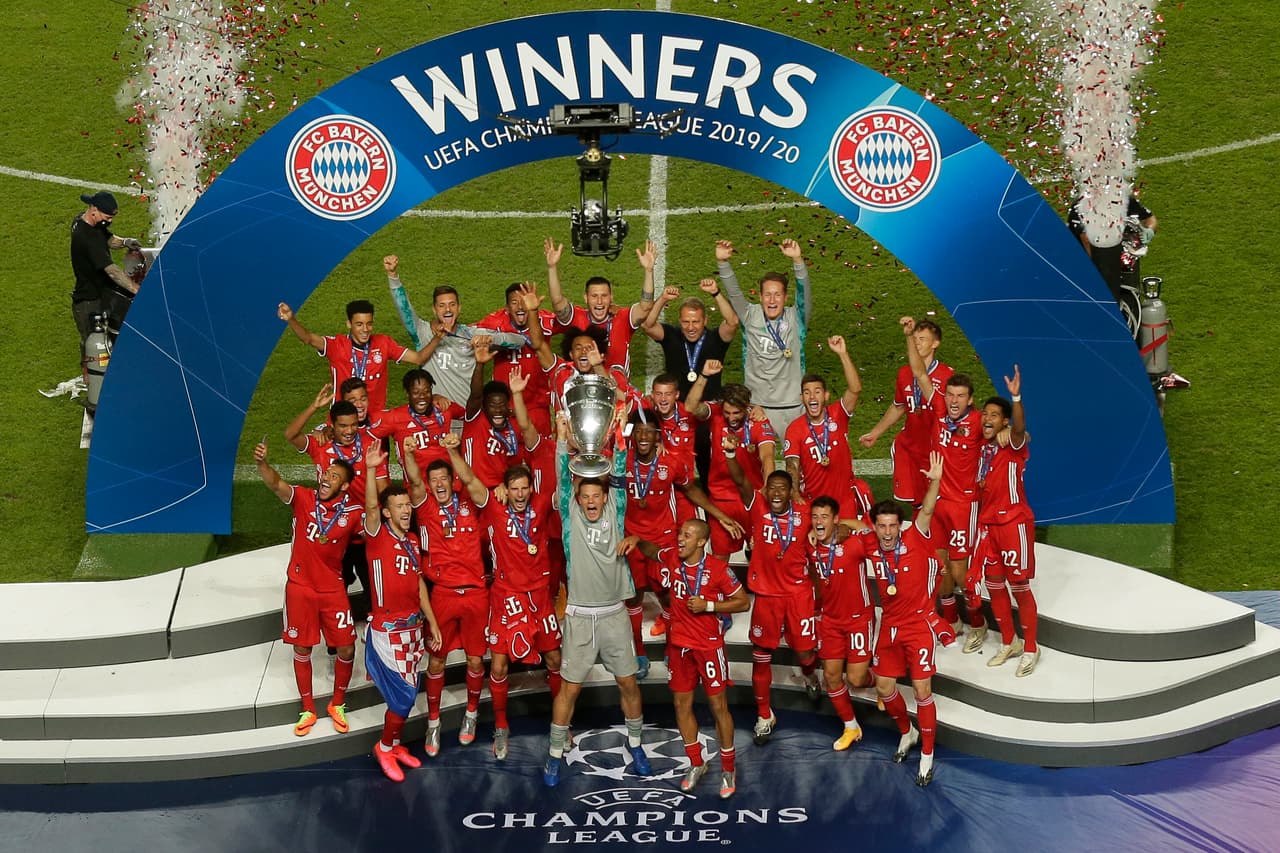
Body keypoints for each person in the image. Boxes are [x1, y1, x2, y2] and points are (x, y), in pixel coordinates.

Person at [543, 416, 650, 787]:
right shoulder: (569, 519)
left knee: (629, 685)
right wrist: (561, 439)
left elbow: (619, 473)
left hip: (614, 615)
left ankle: (636, 745)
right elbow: (560, 477)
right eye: (584, 496)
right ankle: (555, 753)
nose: (590, 501)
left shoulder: (616, 512)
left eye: (596, 496)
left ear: (605, 497)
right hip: (579, 618)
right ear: (577, 498)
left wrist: (620, 439)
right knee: (568, 689)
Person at [845, 453, 949, 786]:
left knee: (921, 689)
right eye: (882, 525)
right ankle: (908, 732)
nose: (887, 531)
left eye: (893, 525)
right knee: (885, 686)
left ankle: (928, 754)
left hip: (918, 626)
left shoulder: (916, 536)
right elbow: (843, 530)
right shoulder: (868, 543)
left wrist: (934, 480)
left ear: (900, 525)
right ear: (874, 525)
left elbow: (929, 509)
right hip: (888, 625)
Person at [629, 519, 750, 798]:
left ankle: (728, 768)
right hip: (679, 646)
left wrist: (709, 605)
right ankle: (696, 763)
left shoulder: (718, 569)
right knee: (681, 705)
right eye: (680, 533)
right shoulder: (672, 556)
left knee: (718, 706)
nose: (680, 539)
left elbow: (742, 602)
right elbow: (652, 551)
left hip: (708, 646)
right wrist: (637, 539)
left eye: (687, 535)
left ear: (701, 541)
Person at [621, 409, 744, 678]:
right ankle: (639, 651)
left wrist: (719, 515)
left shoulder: (671, 462)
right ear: (632, 435)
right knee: (634, 595)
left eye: (649, 432)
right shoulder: (621, 461)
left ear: (657, 436)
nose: (643, 436)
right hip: (631, 537)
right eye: (638, 431)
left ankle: (672, 645)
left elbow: (691, 490)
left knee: (668, 594)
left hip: (663, 538)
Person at [253, 439, 361, 738]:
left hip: (333, 590)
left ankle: (337, 704)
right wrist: (263, 464)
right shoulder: (303, 497)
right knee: (302, 647)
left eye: (335, 476)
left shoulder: (352, 513)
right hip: (300, 588)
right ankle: (308, 708)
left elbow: (376, 525)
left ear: (345, 486)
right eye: (326, 473)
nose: (327, 477)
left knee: (347, 647)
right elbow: (276, 485)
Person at [721, 430, 818, 746]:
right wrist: (733, 456)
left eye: (782, 489)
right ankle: (765, 714)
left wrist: (841, 530)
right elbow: (740, 482)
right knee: (761, 655)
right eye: (772, 488)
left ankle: (808, 673)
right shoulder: (758, 506)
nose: (776, 493)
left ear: (791, 493)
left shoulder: (805, 512)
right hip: (766, 596)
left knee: (805, 650)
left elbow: (833, 523)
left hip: (799, 593)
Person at [359, 441, 443, 782]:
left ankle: (393, 745)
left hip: (412, 631)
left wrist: (432, 623)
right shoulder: (377, 535)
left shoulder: (411, 542)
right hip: (387, 632)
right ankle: (383, 746)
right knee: (403, 697)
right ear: (387, 511)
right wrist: (368, 471)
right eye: (399, 506)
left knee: (408, 692)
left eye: (408, 504)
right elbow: (369, 507)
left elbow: (420, 585)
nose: (407, 510)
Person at [401, 433, 489, 757]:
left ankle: (471, 714)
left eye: (443, 479)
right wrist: (409, 454)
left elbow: (470, 479)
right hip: (443, 595)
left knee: (476, 659)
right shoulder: (423, 509)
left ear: (452, 481)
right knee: (436, 659)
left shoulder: (472, 504)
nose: (438, 484)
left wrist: (452, 452)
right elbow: (413, 480)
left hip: (477, 594)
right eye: (433, 479)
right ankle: (434, 723)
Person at [902, 317, 984, 639]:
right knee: (939, 566)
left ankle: (978, 622)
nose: (952, 401)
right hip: (935, 501)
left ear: (970, 400)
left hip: (963, 505)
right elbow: (920, 372)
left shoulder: (978, 423)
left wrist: (1008, 431)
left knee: (960, 572)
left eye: (959, 396)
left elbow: (1007, 434)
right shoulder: (937, 409)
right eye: (949, 395)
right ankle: (952, 619)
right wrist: (909, 336)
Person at [479, 458, 563, 761]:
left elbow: (565, 487)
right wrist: (453, 453)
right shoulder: (495, 507)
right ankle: (501, 726)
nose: (519, 493)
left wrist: (576, 449)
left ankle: (560, 722)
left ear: (531, 488)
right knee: (499, 664)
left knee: (555, 657)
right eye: (514, 488)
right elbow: (474, 486)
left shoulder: (541, 503)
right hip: (507, 595)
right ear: (506, 488)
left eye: (524, 487)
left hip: (539, 596)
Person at [285, 387, 389, 618]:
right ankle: (335, 636)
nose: (350, 430)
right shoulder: (321, 444)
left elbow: (383, 491)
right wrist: (314, 407)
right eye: (343, 426)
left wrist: (381, 521)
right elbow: (290, 435)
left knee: (374, 586)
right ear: (332, 425)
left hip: (362, 531)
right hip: (330, 530)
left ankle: (376, 630)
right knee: (332, 586)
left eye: (353, 424)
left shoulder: (370, 446)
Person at [383, 254, 526, 406]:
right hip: (439, 418)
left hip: (468, 417)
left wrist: (490, 339)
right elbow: (404, 308)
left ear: (459, 308)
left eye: (452, 304)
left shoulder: (471, 333)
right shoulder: (422, 332)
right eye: (442, 305)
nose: (447, 310)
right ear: (434, 309)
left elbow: (519, 341)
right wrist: (393, 276)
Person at [972, 365, 1040, 676]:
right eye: (985, 414)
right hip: (989, 527)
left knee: (1019, 586)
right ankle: (1009, 641)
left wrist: (1016, 396)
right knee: (994, 585)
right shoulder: (982, 448)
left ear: (1005, 422)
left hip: (1014, 523)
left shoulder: (1012, 444)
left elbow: (1020, 428)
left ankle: (1031, 647)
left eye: (994, 416)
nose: (987, 418)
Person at [715, 239, 813, 437]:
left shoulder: (796, 318)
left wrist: (797, 261)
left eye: (777, 295)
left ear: (785, 298)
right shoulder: (750, 315)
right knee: (758, 464)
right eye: (767, 294)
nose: (772, 300)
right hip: (757, 406)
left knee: (796, 465)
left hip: (793, 406)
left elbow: (805, 295)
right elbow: (734, 294)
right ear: (760, 297)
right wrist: (723, 264)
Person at [277, 298, 433, 415]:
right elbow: (308, 338)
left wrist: (438, 337)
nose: (365, 329)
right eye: (359, 324)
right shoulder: (336, 345)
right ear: (349, 324)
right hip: (342, 421)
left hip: (375, 423)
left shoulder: (384, 343)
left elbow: (418, 358)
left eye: (369, 324)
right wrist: (291, 319)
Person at [858, 319, 953, 506]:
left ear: (935, 343)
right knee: (916, 503)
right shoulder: (903, 373)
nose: (917, 343)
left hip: (936, 451)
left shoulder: (947, 377)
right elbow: (899, 406)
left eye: (922, 339)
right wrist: (876, 433)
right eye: (915, 338)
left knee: (938, 502)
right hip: (910, 447)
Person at [685, 367, 777, 561]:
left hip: (751, 497)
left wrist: (768, 489)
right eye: (727, 412)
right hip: (721, 498)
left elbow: (768, 457)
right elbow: (691, 406)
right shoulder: (716, 413)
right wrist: (704, 377)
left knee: (760, 554)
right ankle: (718, 591)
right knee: (719, 557)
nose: (731, 417)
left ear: (746, 408)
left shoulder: (758, 422)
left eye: (736, 412)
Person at [808, 496, 876, 751]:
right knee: (831, 676)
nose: (818, 522)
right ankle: (850, 726)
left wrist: (845, 525)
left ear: (835, 519)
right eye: (815, 517)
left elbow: (871, 529)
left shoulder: (854, 542)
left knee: (857, 679)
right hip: (830, 621)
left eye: (825, 517)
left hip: (859, 619)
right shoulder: (810, 544)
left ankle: (879, 679)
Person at [784, 335, 873, 522]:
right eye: (807, 393)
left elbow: (855, 389)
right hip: (814, 504)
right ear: (802, 398)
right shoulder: (795, 429)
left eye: (817, 392)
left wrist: (842, 354)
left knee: (851, 546)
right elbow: (792, 465)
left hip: (844, 500)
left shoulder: (838, 414)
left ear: (825, 395)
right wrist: (794, 493)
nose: (812, 397)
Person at [544, 236, 657, 375]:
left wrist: (649, 271)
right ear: (586, 298)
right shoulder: (576, 317)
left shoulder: (623, 318)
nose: (599, 302)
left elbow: (645, 307)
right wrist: (552, 267)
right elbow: (557, 301)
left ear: (611, 297)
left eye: (604, 296)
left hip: (617, 391)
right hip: (581, 390)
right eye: (594, 296)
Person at [1068, 194, 1158, 340]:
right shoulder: (1082, 207)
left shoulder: (1124, 198)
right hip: (1089, 272)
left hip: (1124, 271)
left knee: (1129, 308)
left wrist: (1150, 231)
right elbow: (1087, 240)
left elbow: (1150, 219)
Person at [640, 282, 739, 402]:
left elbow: (732, 322)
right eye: (686, 322)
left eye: (696, 321)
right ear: (679, 321)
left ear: (705, 321)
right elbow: (647, 325)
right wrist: (663, 299)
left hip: (709, 408)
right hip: (677, 408)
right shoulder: (671, 335)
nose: (690, 327)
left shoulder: (716, 338)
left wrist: (716, 293)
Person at [70, 190, 142, 344]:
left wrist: (124, 242)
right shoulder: (88, 238)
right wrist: (137, 289)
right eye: (108, 217)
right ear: (94, 209)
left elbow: (107, 238)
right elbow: (113, 272)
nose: (109, 221)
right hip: (89, 301)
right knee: (94, 349)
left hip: (101, 293)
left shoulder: (84, 220)